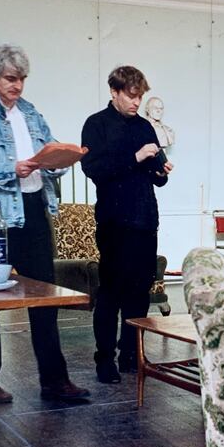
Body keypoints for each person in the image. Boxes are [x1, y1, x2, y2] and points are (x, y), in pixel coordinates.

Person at [0, 44, 90, 403]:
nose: (18, 86)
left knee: (44, 299)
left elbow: (47, 154)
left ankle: (54, 381)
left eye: (22, 78)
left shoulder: (30, 113)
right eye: (11, 78)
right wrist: (8, 168)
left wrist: (62, 159)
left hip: (34, 214)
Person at [81, 66, 173, 384]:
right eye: (131, 96)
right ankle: (105, 360)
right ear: (114, 92)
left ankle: (132, 355)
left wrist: (161, 171)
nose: (137, 102)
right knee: (112, 292)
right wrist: (135, 157)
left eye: (140, 96)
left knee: (139, 293)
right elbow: (94, 169)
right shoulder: (96, 125)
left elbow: (156, 177)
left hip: (145, 220)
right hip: (115, 221)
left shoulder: (145, 126)